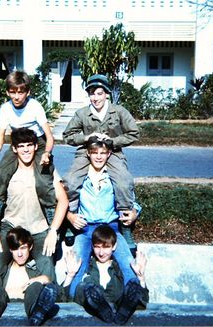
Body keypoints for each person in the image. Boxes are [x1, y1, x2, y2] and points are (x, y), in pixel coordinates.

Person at [0, 127, 68, 289]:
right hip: (11, 228)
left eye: (29, 145)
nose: (25, 149)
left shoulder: (46, 171)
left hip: (38, 229)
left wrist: (53, 231)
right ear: (14, 149)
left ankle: (45, 301)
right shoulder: (5, 172)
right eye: (21, 146)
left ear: (35, 147)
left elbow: (63, 201)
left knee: (46, 264)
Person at [62, 74, 139, 249]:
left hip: (112, 152)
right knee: (71, 181)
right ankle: (71, 220)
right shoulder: (82, 113)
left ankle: (125, 224)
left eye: (99, 93)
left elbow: (133, 133)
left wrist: (113, 141)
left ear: (106, 94)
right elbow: (67, 136)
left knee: (123, 181)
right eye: (92, 94)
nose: (95, 98)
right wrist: (86, 137)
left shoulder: (118, 111)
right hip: (86, 152)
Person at [65, 136, 140, 299]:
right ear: (88, 154)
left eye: (103, 153)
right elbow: (63, 202)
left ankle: (133, 300)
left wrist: (134, 213)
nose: (98, 157)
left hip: (110, 230)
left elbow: (133, 201)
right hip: (86, 229)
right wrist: (70, 216)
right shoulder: (80, 177)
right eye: (94, 153)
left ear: (109, 154)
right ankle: (74, 302)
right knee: (77, 266)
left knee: (128, 265)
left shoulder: (115, 178)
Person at [0, 71, 56, 236]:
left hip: (37, 142)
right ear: (8, 92)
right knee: (0, 174)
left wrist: (46, 153)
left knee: (43, 179)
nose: (16, 96)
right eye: (13, 92)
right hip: (17, 142)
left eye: (21, 92)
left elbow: (50, 138)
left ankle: (52, 221)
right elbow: (0, 136)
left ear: (28, 92)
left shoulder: (35, 106)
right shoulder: (5, 108)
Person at [0, 227, 59, 326]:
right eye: (15, 249)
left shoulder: (35, 269)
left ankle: (37, 313)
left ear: (30, 247)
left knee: (35, 286)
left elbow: (55, 293)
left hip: (29, 307)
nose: (19, 254)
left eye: (23, 248)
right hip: (1, 305)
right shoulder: (2, 269)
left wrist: (46, 279)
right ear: (10, 250)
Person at [62, 225, 148, 325]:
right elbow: (63, 299)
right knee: (83, 288)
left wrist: (141, 278)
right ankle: (102, 307)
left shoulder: (119, 269)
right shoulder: (86, 266)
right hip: (91, 309)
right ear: (92, 246)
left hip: (115, 305)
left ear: (114, 246)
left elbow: (144, 300)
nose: (101, 253)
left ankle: (122, 310)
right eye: (97, 247)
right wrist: (70, 275)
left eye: (106, 247)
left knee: (131, 286)